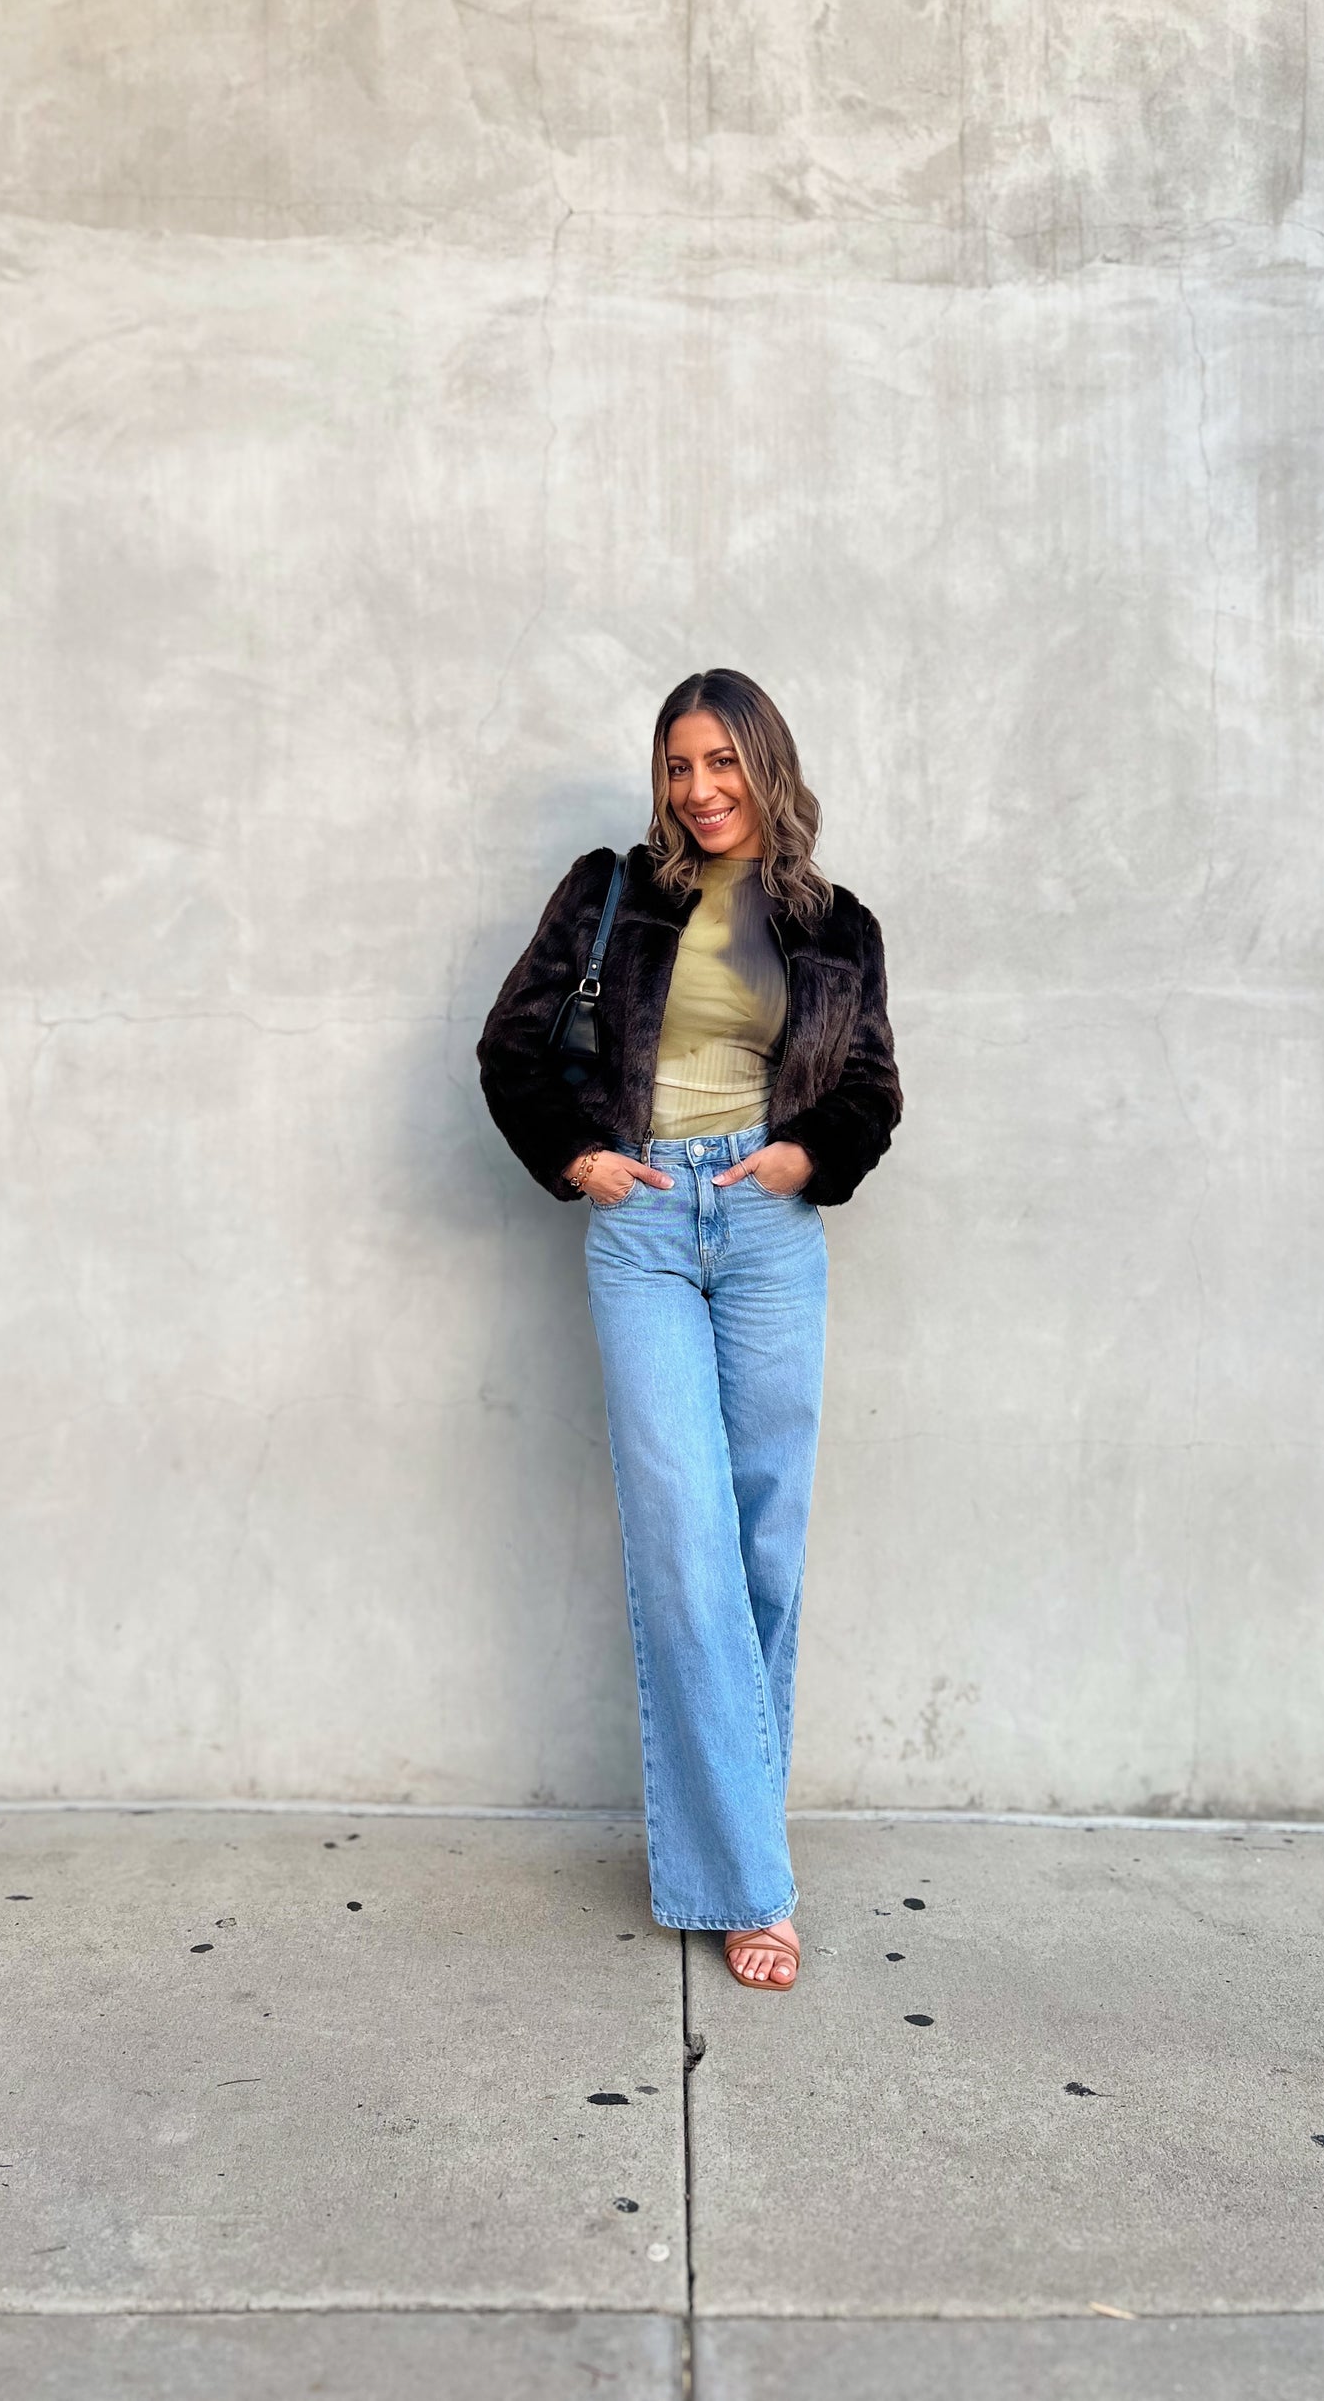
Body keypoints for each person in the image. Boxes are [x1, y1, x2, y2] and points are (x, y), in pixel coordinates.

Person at [475, 668, 901, 1989]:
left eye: (720, 762)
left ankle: (735, 1848)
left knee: (764, 1546)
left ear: (763, 765)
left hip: (768, 1230)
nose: (698, 790)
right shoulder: (612, 890)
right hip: (646, 1228)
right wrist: (584, 1161)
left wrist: (799, 1158)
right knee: (684, 1546)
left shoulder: (835, 924)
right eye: (676, 767)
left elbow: (872, 1086)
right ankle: (752, 1889)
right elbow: (509, 1048)